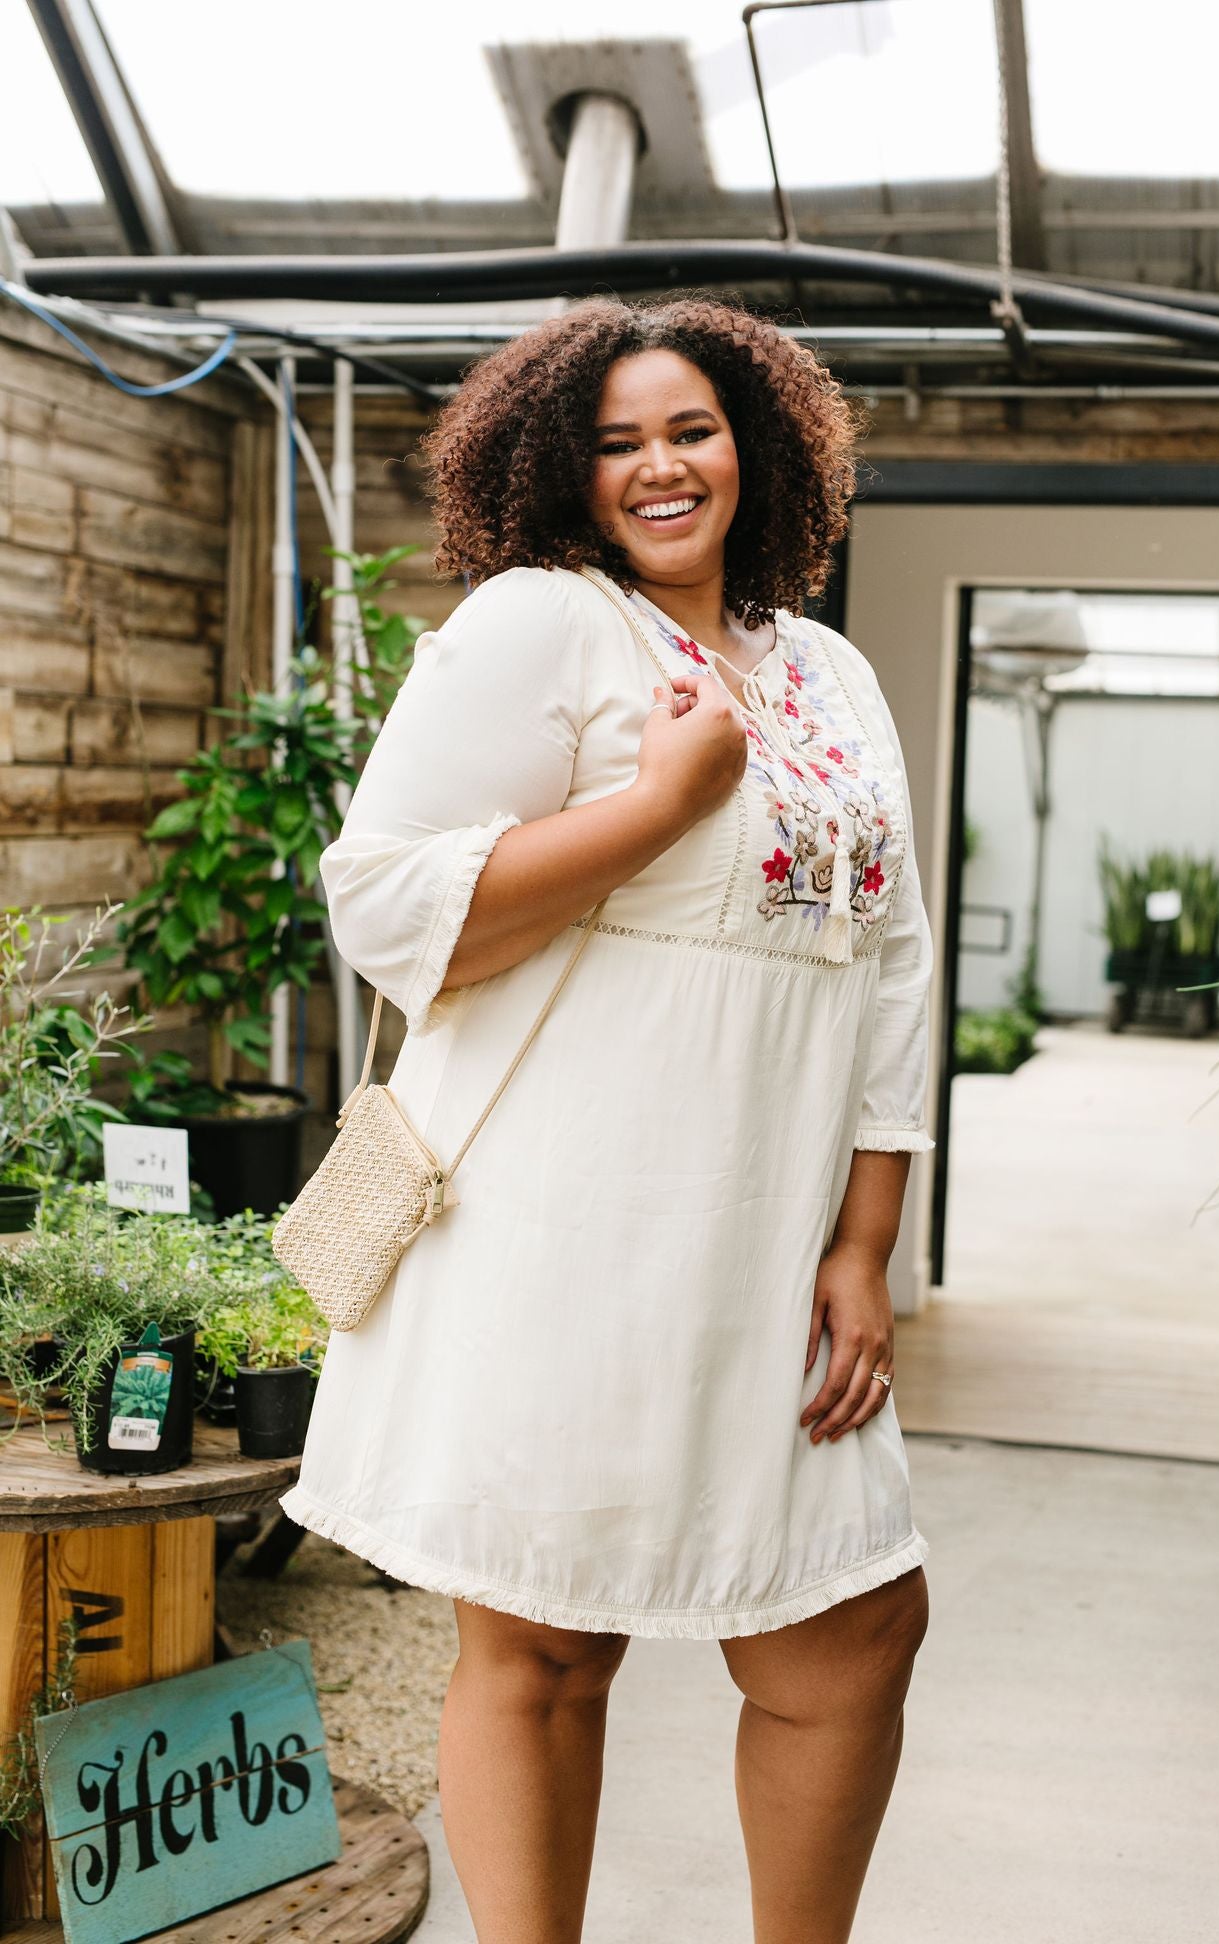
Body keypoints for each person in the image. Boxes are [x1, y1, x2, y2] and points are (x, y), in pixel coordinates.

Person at [280, 295, 935, 1944]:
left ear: (757, 445)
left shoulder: (831, 673)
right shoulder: (538, 627)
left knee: (855, 1628)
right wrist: (658, 809)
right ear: (561, 469)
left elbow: (891, 965)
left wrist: (866, 1239)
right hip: (558, 1237)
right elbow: (383, 902)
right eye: (618, 440)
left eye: (692, 429)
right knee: (547, 1648)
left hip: (765, 1245)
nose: (660, 467)